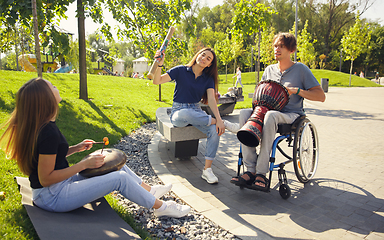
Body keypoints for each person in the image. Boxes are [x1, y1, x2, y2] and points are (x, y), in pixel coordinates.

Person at [0, 78, 190, 217]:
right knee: (120, 179)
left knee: (114, 165)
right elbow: (46, 178)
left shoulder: (43, 126)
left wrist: (76, 148)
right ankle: (162, 208)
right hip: (51, 196)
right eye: (53, 86)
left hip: (56, 188)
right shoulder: (47, 131)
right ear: (46, 98)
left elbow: (49, 156)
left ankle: (149, 192)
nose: (56, 86)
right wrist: (83, 165)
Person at [230, 32, 326, 190]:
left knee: (270, 116)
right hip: (268, 111)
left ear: (291, 50)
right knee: (244, 114)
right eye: (275, 46)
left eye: (281, 46)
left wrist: (296, 90)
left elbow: (320, 96)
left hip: (291, 114)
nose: (277, 49)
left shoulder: (300, 69)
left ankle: (261, 172)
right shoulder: (269, 70)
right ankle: (250, 170)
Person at [152, 48, 233, 184]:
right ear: (197, 55)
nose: (204, 59)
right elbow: (157, 81)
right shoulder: (180, 70)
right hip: (179, 112)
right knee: (185, 113)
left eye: (208, 59)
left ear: (209, 65)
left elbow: (212, 100)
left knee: (214, 130)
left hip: (196, 110)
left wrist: (218, 119)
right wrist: (159, 64)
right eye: (203, 55)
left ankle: (207, 170)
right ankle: (224, 123)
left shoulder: (208, 79)